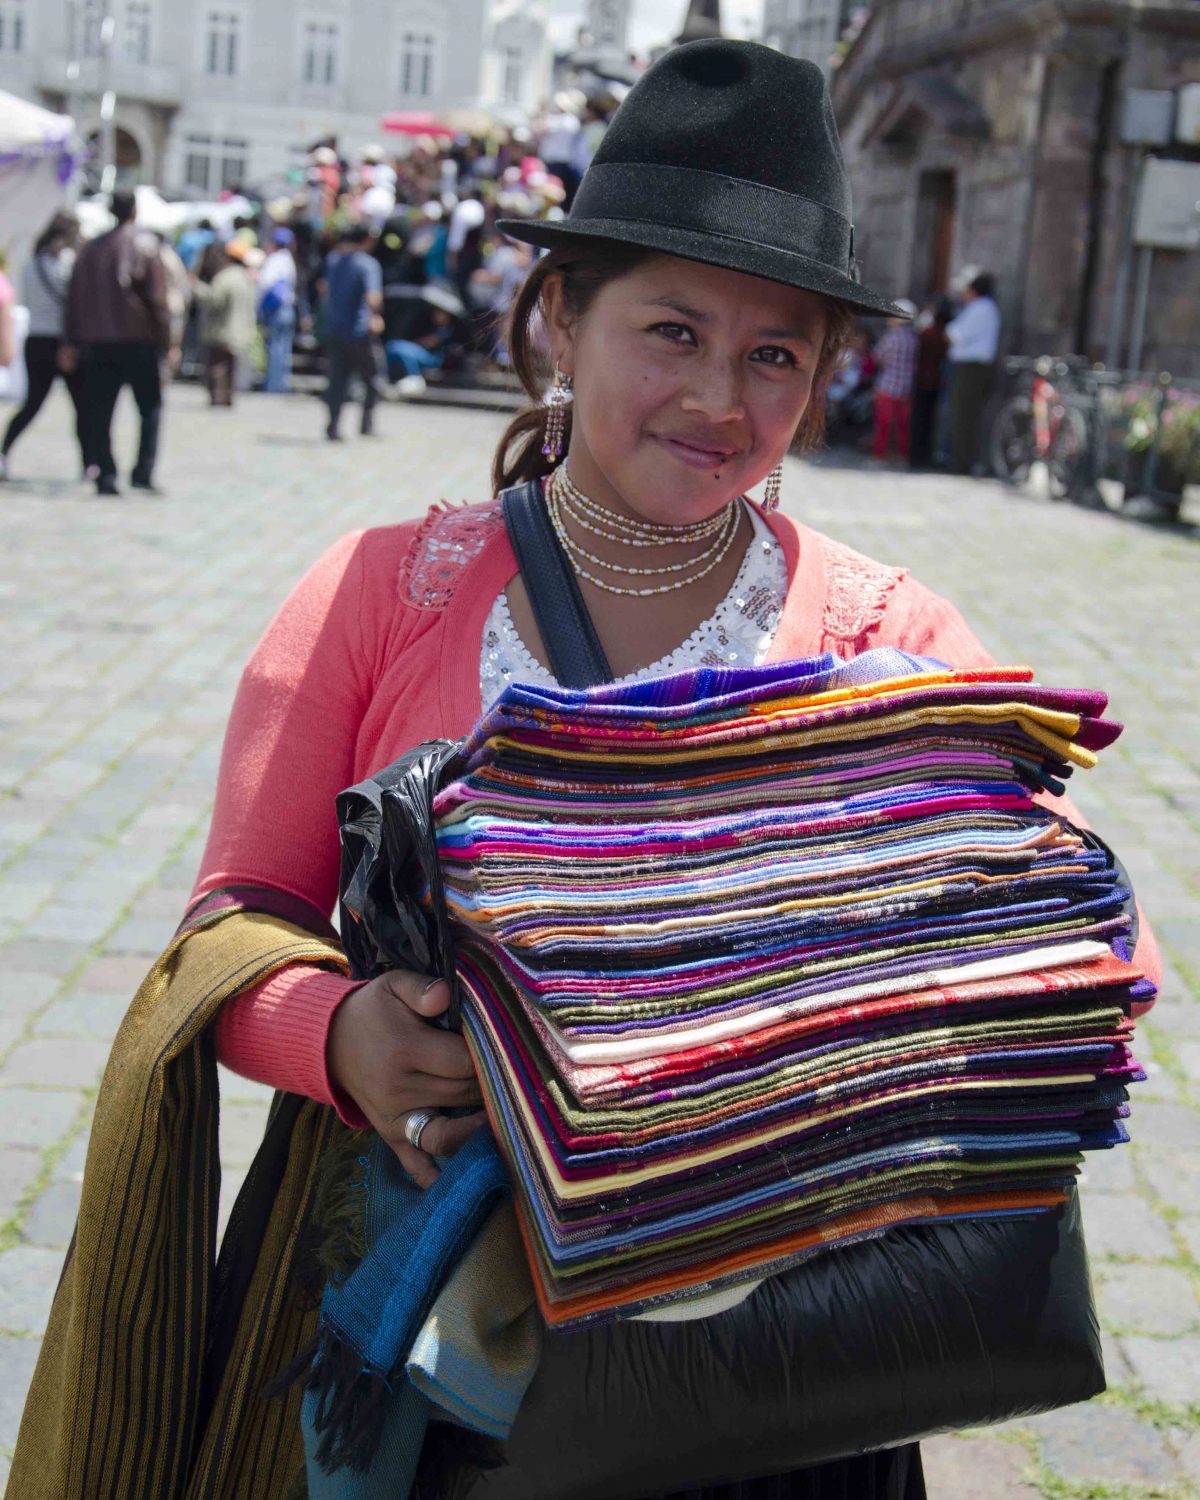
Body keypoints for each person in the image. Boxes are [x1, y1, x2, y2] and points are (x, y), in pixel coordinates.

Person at [13, 40, 1162, 1500]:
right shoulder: (384, 595)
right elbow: (231, 927)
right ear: (562, 317)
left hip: (777, 1382)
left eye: (775, 354)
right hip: (441, 1363)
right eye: (672, 332)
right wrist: (344, 1035)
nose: (720, 399)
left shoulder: (889, 635)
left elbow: (1092, 953)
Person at [62, 188, 172, 497]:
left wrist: (70, 340)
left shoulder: (92, 249)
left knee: (100, 411)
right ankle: (142, 471)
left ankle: (106, 472)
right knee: (149, 409)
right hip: (138, 342)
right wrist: (166, 341)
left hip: (99, 341)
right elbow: (157, 301)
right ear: (134, 210)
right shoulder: (146, 246)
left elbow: (74, 300)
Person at [1, 212, 88, 481]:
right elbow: (74, 304)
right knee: (82, 407)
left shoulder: (31, 263)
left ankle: (3, 453)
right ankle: (91, 464)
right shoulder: (68, 263)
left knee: (32, 404)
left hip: (36, 340)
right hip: (62, 341)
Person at [320, 221, 383, 440]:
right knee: (373, 378)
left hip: (334, 328)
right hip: (358, 331)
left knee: (337, 379)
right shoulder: (367, 264)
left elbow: (323, 289)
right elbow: (373, 297)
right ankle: (366, 423)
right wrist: (375, 315)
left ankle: (333, 425)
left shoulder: (333, 259)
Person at [945, 270, 1001, 474]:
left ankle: (962, 461)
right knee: (964, 414)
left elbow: (955, 335)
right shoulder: (981, 308)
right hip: (970, 367)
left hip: (972, 368)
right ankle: (962, 458)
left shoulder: (981, 308)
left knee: (964, 415)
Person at [192, 239, 257, 407]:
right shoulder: (246, 277)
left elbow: (214, 299)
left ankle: (217, 398)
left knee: (217, 366)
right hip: (241, 331)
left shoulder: (225, 277)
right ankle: (228, 397)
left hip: (222, 331)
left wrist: (195, 287)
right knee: (230, 367)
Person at [870, 297, 918, 462]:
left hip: (887, 385)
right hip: (906, 387)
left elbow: (877, 357)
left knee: (883, 423)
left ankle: (879, 455)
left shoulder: (891, 337)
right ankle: (902, 456)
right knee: (903, 425)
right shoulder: (914, 339)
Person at [910, 296, 952, 470]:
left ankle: (917, 455)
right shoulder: (943, 333)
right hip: (936, 381)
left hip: (925, 380)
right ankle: (923, 455)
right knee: (929, 421)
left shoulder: (929, 333)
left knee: (921, 419)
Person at [258, 226, 298, 393]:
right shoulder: (289, 260)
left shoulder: (274, 260)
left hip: (276, 309)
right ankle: (282, 384)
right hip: (288, 308)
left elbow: (265, 284)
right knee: (284, 348)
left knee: (274, 348)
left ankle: (273, 385)